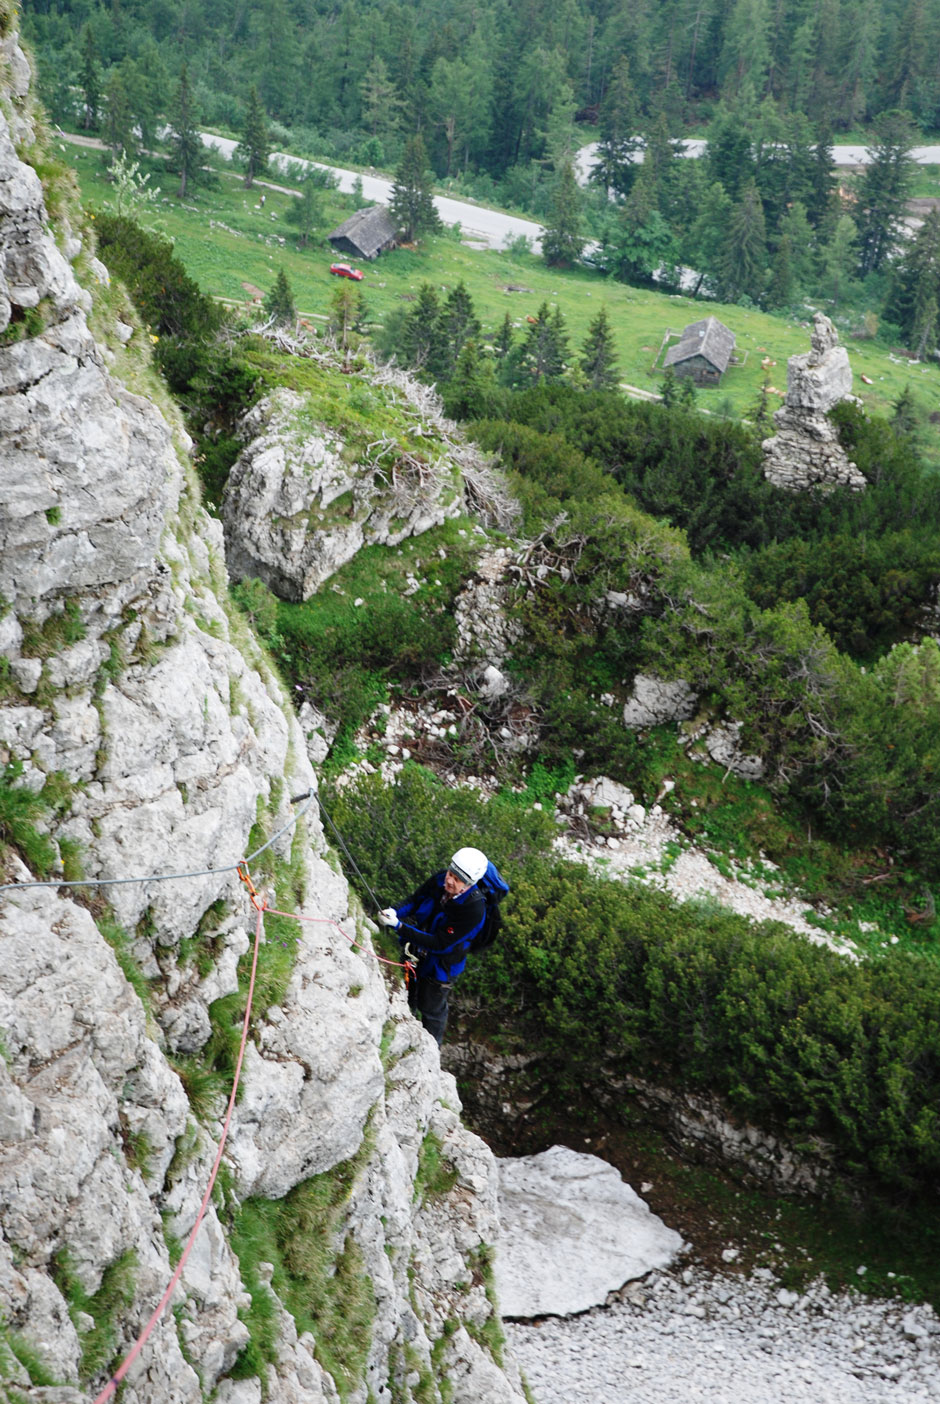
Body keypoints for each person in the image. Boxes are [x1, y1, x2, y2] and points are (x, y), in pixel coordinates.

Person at [377, 846, 489, 1046]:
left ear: (469, 884)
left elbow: (440, 944)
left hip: (442, 967)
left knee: (431, 1008)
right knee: (409, 991)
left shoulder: (474, 909)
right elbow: (416, 900)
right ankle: (406, 1029)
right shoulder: (440, 880)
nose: (450, 880)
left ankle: (431, 1048)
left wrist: (399, 926)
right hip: (418, 949)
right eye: (450, 873)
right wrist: (394, 911)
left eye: (457, 879)